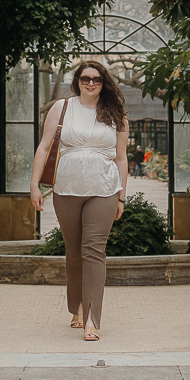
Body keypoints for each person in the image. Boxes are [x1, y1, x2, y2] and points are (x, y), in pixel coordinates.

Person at [30, 61, 128, 342]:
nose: (91, 83)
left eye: (96, 79)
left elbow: (121, 159)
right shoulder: (62, 108)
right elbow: (45, 145)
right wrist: (34, 185)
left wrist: (121, 195)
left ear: (103, 82)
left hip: (105, 188)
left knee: (94, 251)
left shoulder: (116, 114)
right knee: (74, 252)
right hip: (67, 189)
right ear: (77, 81)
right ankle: (77, 306)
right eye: (85, 78)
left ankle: (92, 320)